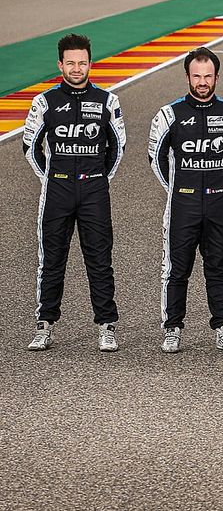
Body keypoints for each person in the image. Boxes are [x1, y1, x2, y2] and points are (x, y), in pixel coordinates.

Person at [22, 33, 127, 352]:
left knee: (99, 258)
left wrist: (97, 178)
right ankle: (44, 324)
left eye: (82, 62)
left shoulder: (108, 100)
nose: (77, 68)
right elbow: (30, 147)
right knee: (51, 259)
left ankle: (107, 326)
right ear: (60, 65)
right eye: (71, 63)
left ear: (90, 64)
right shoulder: (44, 101)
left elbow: (118, 147)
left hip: (94, 187)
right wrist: (52, 178)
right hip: (57, 188)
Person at [148, 47, 223, 353]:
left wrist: (213, 182)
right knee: (177, 269)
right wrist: (179, 188)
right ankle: (172, 328)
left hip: (219, 202)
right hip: (183, 204)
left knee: (220, 267)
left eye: (208, 76)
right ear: (187, 77)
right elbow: (156, 158)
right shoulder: (169, 114)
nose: (202, 82)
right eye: (196, 76)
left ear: (216, 77)